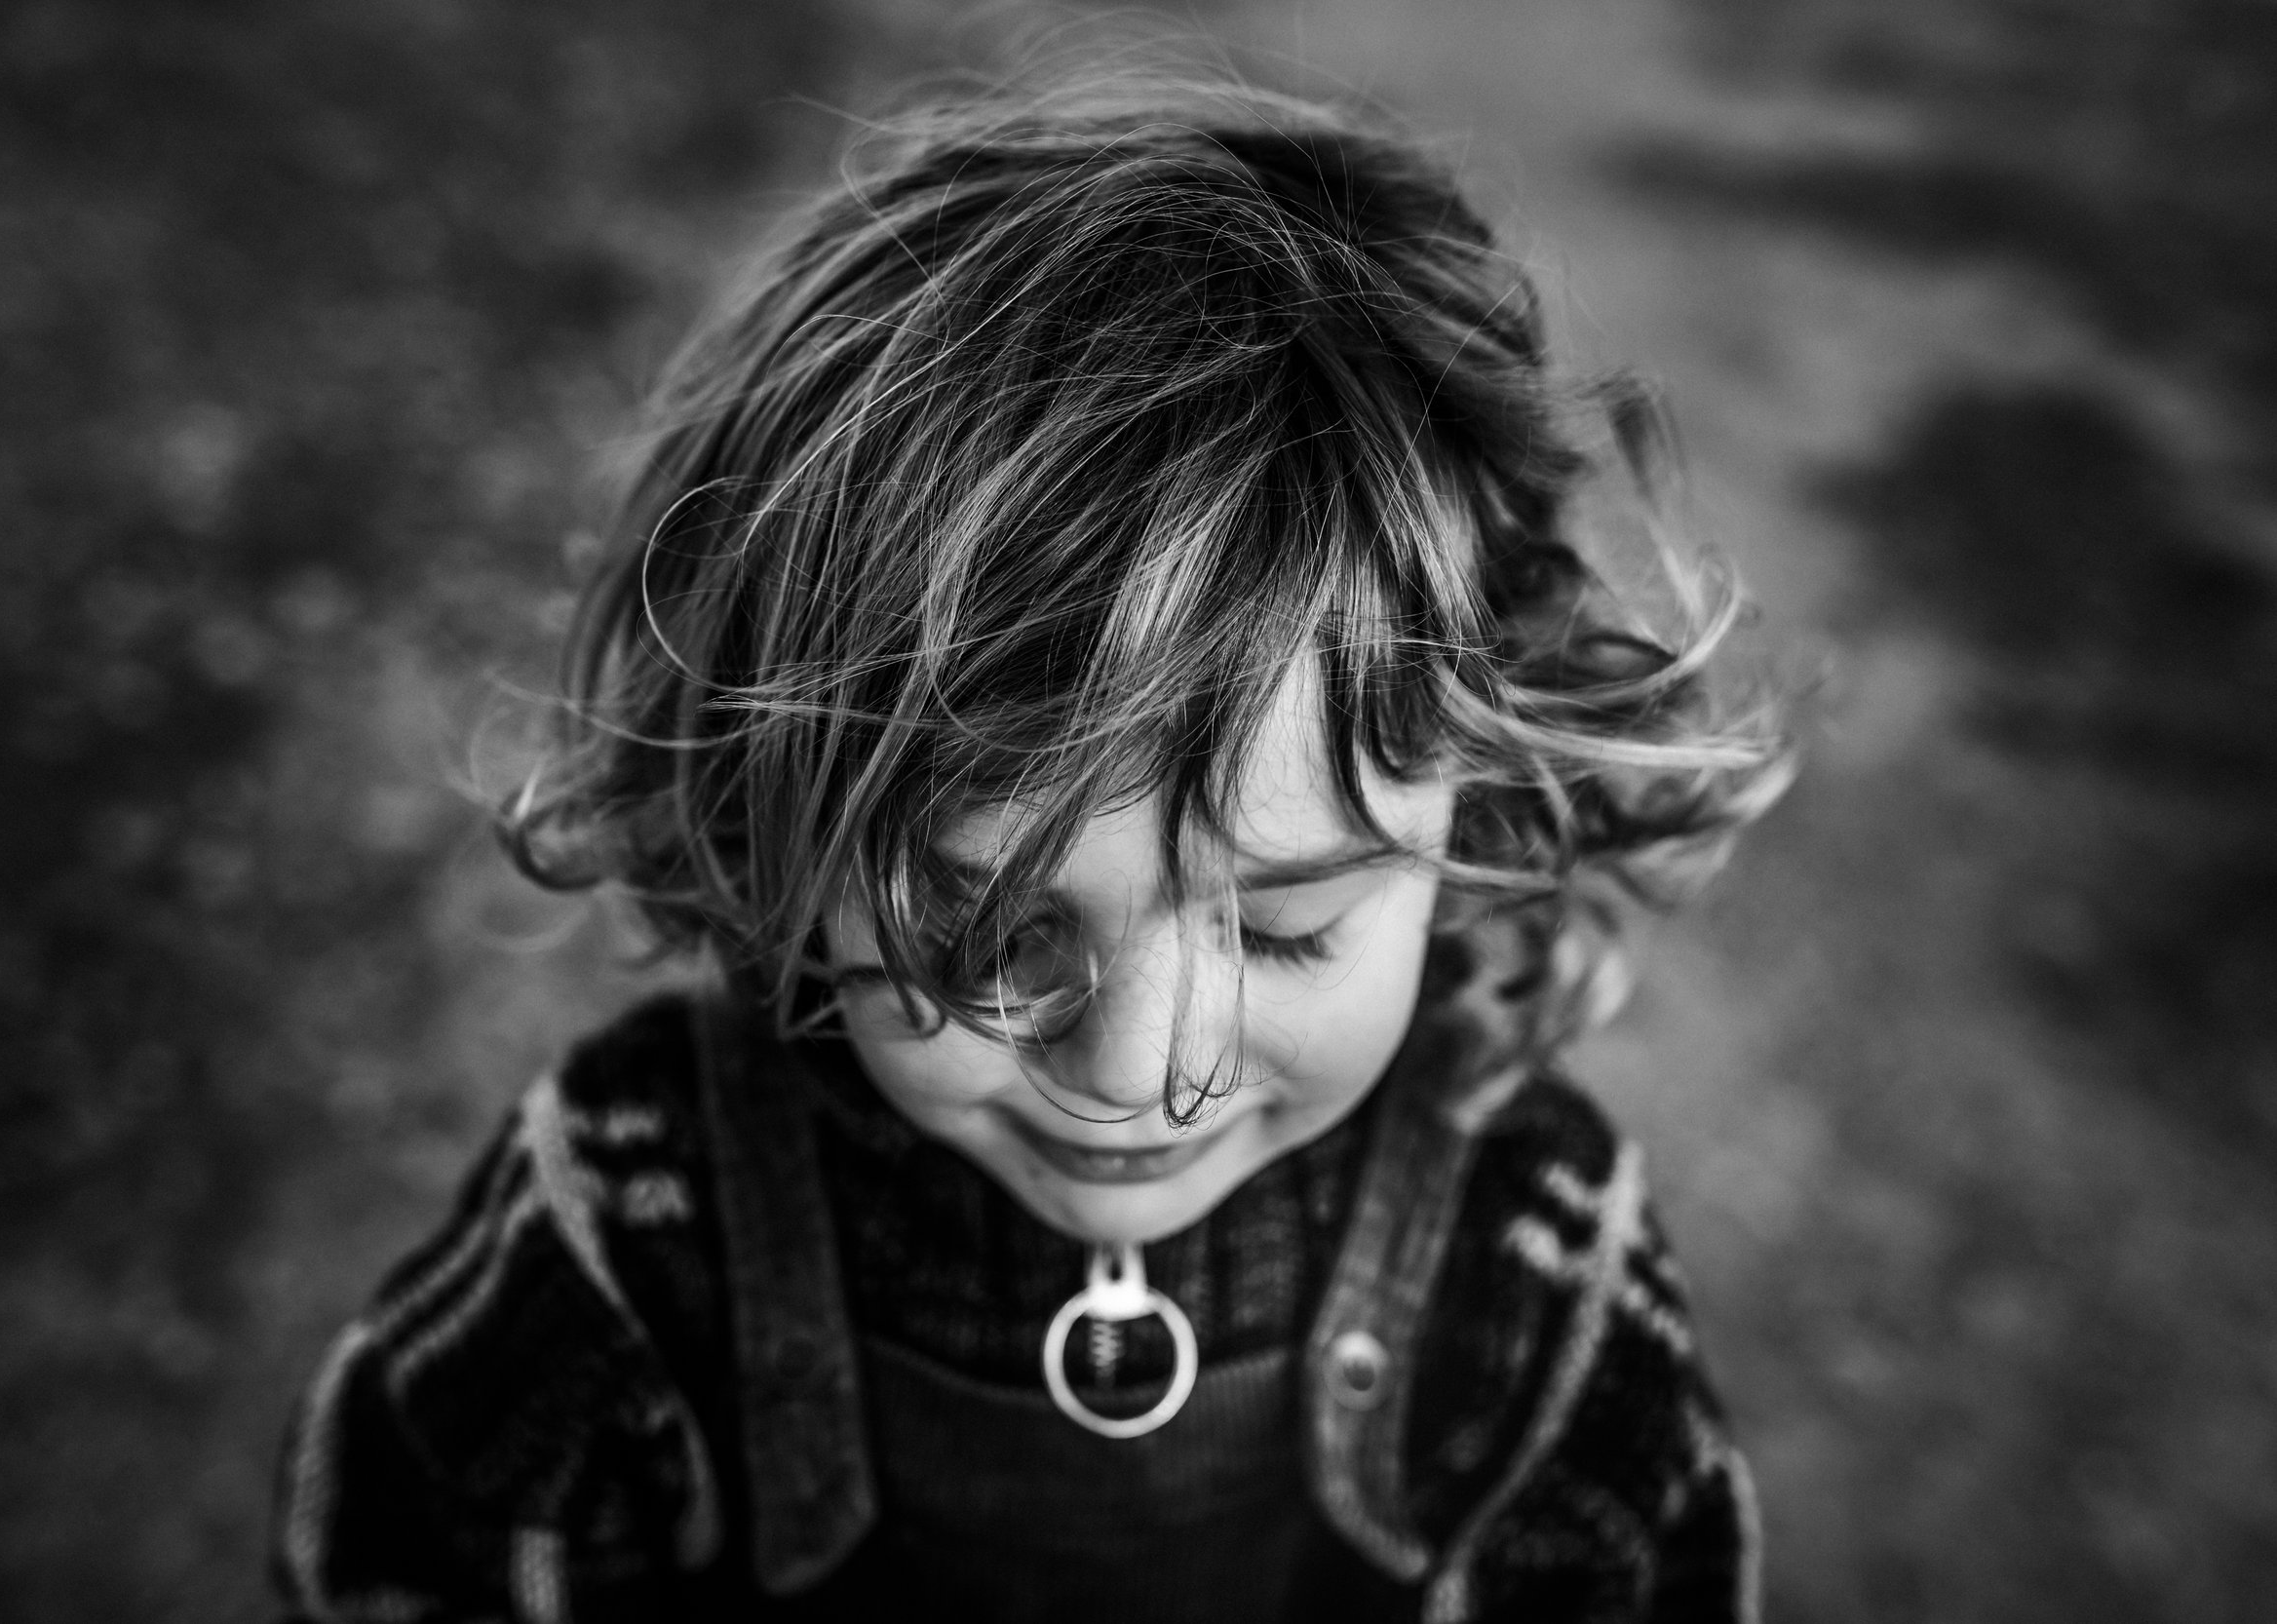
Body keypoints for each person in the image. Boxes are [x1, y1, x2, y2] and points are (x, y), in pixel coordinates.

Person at [270, 67, 1789, 1624]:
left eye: (1283, 929)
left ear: (1470, 810)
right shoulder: (636, 1214)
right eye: (996, 934)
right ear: (773, 801)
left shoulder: (1527, 1255)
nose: (1136, 1075)